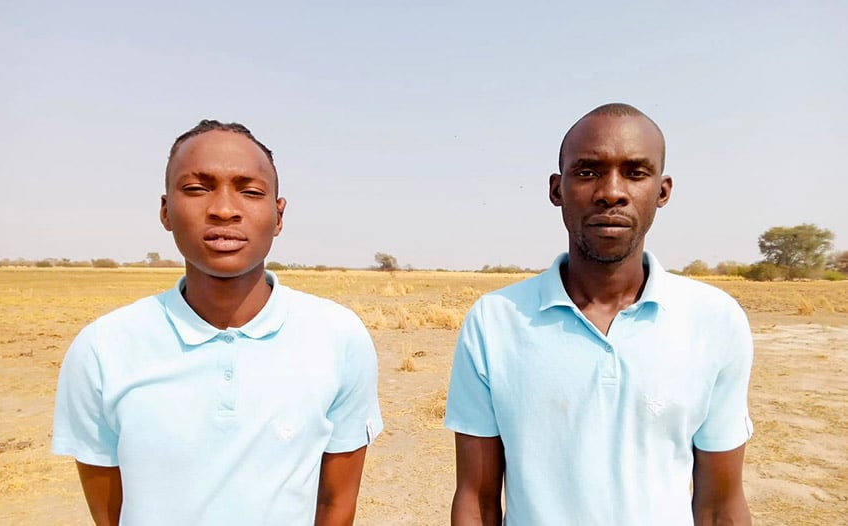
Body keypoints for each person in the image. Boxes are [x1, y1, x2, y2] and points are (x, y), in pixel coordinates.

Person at [52, 120, 382, 525]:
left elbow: (335, 505)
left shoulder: (338, 338)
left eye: (250, 191)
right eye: (196, 188)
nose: (224, 209)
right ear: (165, 211)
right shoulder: (103, 348)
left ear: (278, 216)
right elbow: (112, 515)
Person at [445, 103, 753, 525]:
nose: (611, 191)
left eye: (635, 172)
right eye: (588, 171)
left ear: (662, 192)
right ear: (557, 189)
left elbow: (720, 507)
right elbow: (477, 503)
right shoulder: (495, 322)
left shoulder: (715, 321)